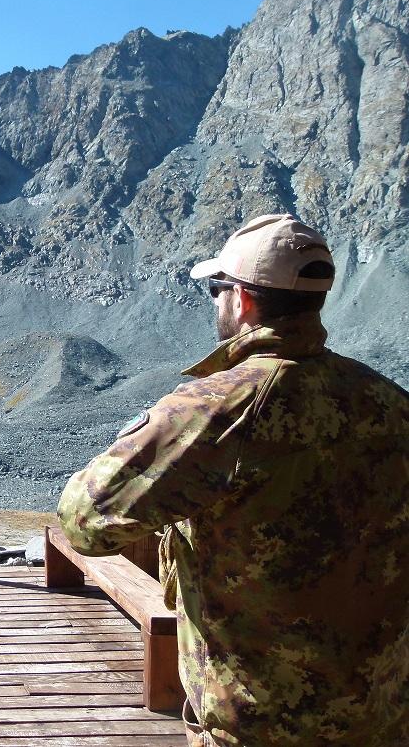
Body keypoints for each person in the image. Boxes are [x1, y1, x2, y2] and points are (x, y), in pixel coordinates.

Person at [56, 214, 408, 746]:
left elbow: (84, 521)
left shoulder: (213, 409)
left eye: (217, 289)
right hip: (381, 717)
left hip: (259, 723)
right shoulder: (389, 402)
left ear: (240, 300)